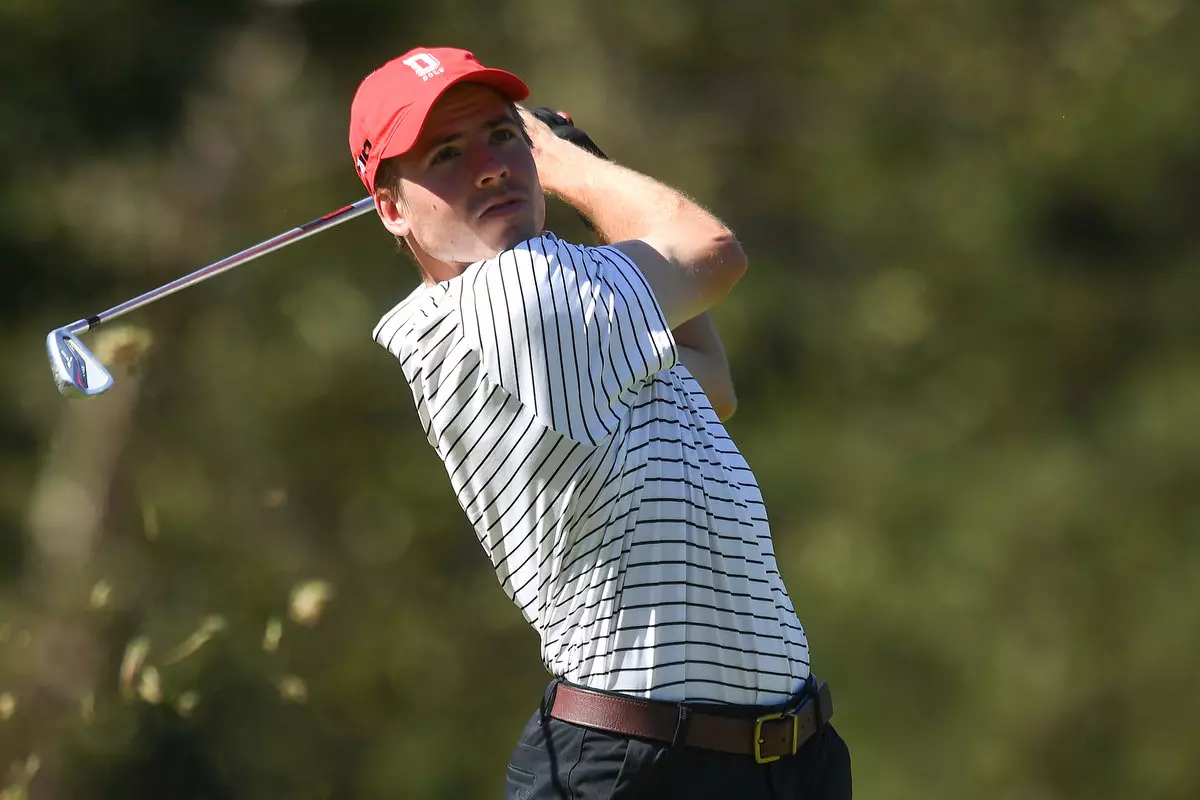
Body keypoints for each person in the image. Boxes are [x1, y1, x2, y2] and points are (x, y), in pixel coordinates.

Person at [348, 46, 852, 799]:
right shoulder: (514, 296)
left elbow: (710, 384)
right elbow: (713, 254)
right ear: (392, 207)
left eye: (501, 136)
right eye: (447, 154)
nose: (489, 166)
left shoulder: (556, 308)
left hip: (775, 763)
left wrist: (575, 172)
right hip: (642, 766)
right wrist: (567, 162)